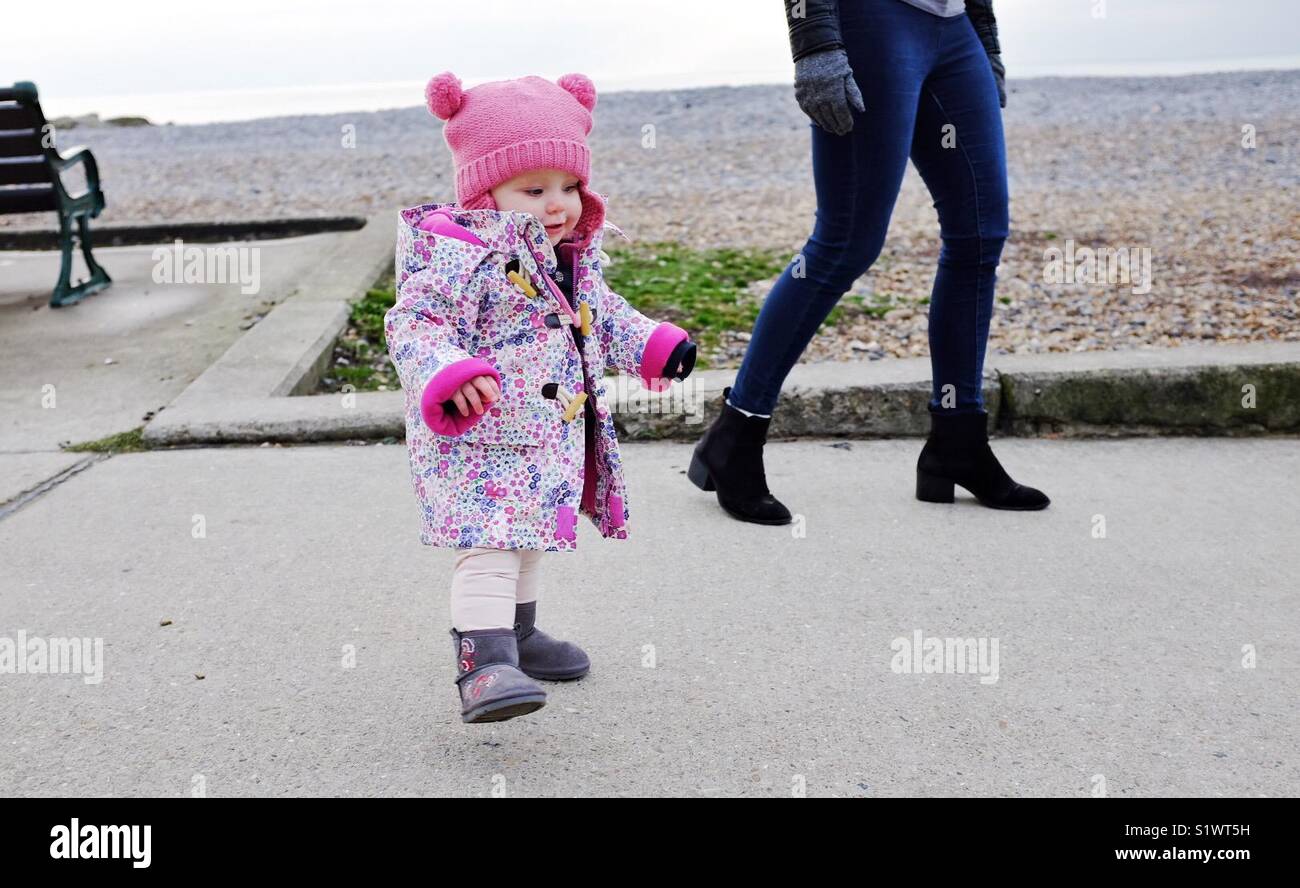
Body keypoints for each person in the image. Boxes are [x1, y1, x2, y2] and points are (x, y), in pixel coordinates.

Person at [386, 73, 696, 723]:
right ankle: (483, 665)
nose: (557, 204)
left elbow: (601, 314)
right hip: (479, 438)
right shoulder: (458, 254)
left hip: (543, 436)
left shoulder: (568, 255)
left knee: (526, 541)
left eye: (568, 187)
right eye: (534, 189)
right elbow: (416, 324)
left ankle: (519, 637)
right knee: (491, 548)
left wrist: (650, 344)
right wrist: (449, 370)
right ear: (484, 189)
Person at [688, 0, 1048, 524]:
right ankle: (735, 436)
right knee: (845, 242)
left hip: (956, 27)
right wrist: (815, 45)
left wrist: (986, 41)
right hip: (872, 20)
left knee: (979, 236)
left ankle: (957, 441)